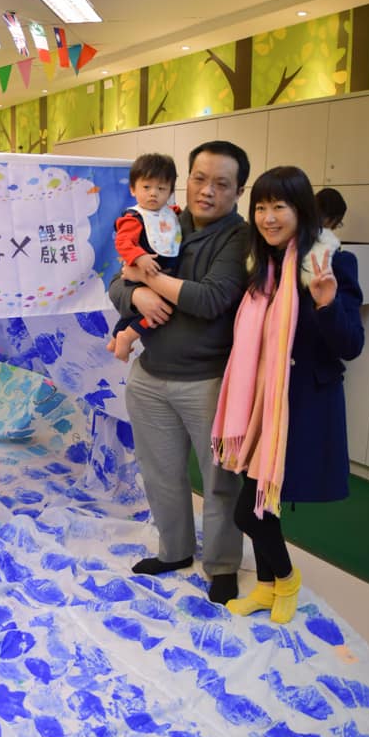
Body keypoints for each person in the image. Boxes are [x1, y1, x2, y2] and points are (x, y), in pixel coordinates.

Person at [211, 166, 364, 623]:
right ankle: (266, 587)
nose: (269, 217)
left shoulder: (329, 263)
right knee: (262, 503)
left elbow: (351, 344)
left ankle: (286, 579)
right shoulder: (263, 266)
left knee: (251, 510)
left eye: (280, 206)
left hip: (300, 406)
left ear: (302, 211)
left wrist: (326, 303)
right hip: (259, 403)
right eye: (260, 207)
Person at [108, 140, 250, 605]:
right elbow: (116, 282)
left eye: (221, 184)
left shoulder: (239, 238)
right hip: (149, 376)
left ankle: (223, 565)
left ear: (239, 191)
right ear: (185, 180)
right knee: (160, 473)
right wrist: (136, 296)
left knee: (220, 481)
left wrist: (146, 278)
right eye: (199, 179)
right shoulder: (160, 220)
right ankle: (174, 551)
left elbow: (210, 299)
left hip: (208, 381)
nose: (207, 191)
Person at [106, 153, 181, 362]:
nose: (153, 194)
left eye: (161, 188)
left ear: (171, 192)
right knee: (161, 309)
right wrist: (139, 258)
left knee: (135, 312)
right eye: (146, 187)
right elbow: (123, 242)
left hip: (159, 273)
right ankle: (128, 337)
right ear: (133, 189)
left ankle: (115, 339)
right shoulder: (134, 218)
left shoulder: (173, 214)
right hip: (143, 272)